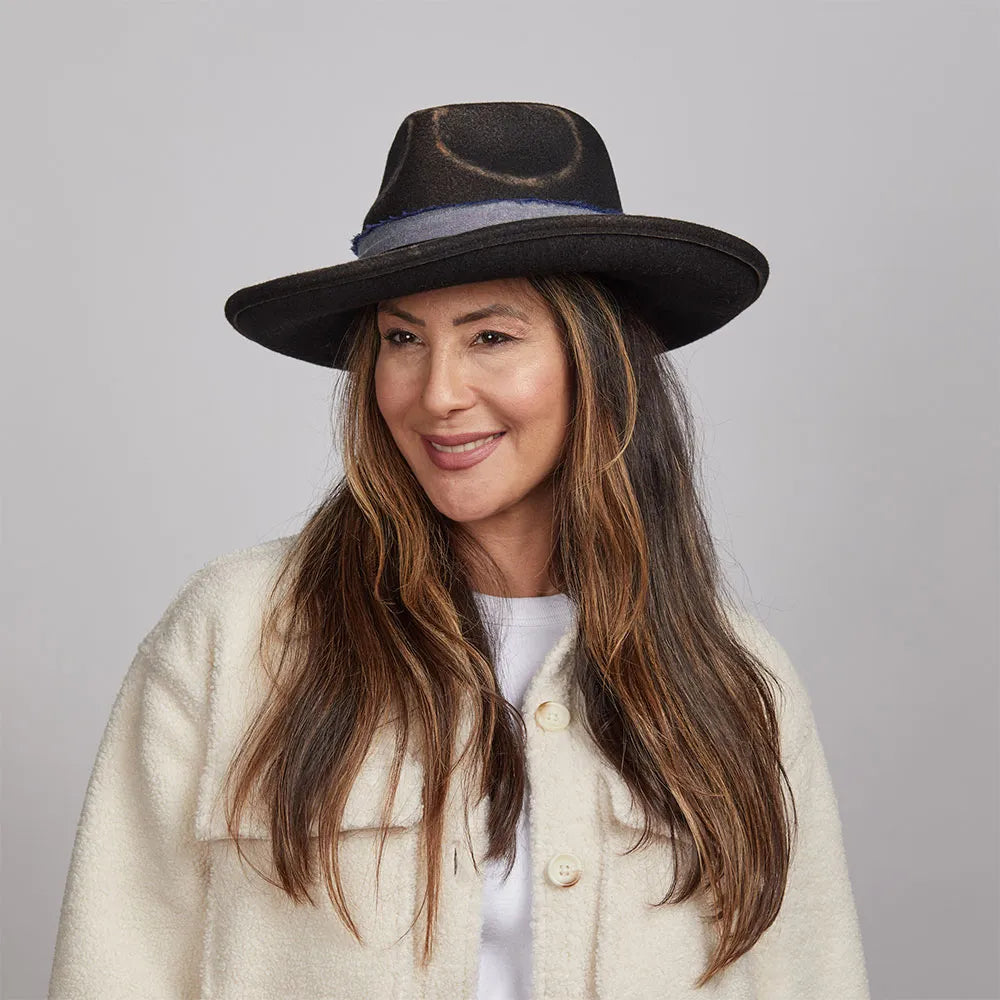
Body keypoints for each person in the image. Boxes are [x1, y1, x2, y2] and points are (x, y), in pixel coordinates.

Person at [48, 102, 870, 999]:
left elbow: (808, 978)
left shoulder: (737, 680)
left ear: (600, 362)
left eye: (490, 336)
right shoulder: (236, 634)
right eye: (404, 339)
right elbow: (113, 964)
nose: (437, 392)